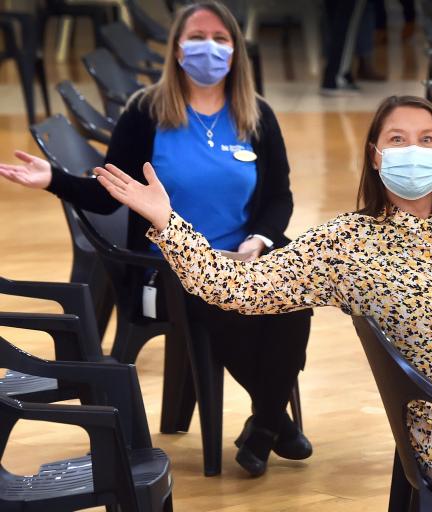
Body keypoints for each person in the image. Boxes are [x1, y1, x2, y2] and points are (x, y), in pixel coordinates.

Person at [92, 95, 432, 511]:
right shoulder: (348, 243)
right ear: (375, 155)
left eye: (426, 138)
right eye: (398, 138)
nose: (413, 150)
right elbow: (236, 289)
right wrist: (166, 222)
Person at [0, 1, 313, 477]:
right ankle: (273, 422)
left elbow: (279, 198)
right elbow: (108, 196)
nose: (208, 47)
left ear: (235, 50)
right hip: (166, 273)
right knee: (217, 299)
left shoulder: (257, 115)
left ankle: (266, 424)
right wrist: (54, 179)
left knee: (296, 295)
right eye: (197, 36)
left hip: (243, 260)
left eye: (220, 38)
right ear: (176, 47)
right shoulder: (147, 113)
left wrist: (259, 240)